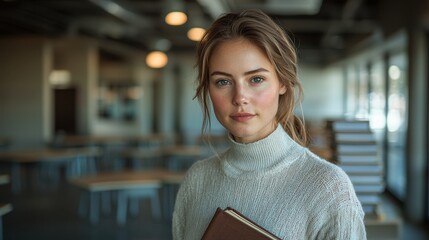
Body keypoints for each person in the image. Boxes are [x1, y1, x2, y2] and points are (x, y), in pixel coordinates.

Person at [172, 9, 366, 240]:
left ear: (283, 82)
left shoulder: (328, 188)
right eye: (223, 81)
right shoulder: (197, 180)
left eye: (256, 79)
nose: (240, 97)